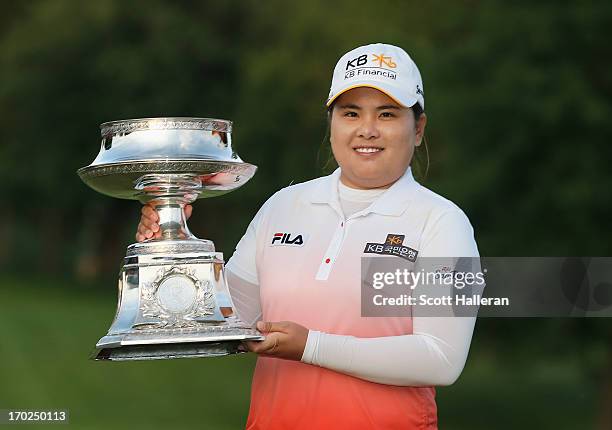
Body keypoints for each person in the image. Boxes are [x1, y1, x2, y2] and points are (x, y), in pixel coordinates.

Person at [136, 43, 480, 430]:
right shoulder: (284, 206)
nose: (367, 129)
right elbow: (221, 320)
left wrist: (311, 346)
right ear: (331, 123)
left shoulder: (443, 222)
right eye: (351, 113)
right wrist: (167, 251)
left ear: (417, 129)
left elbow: (440, 358)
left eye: (387, 114)